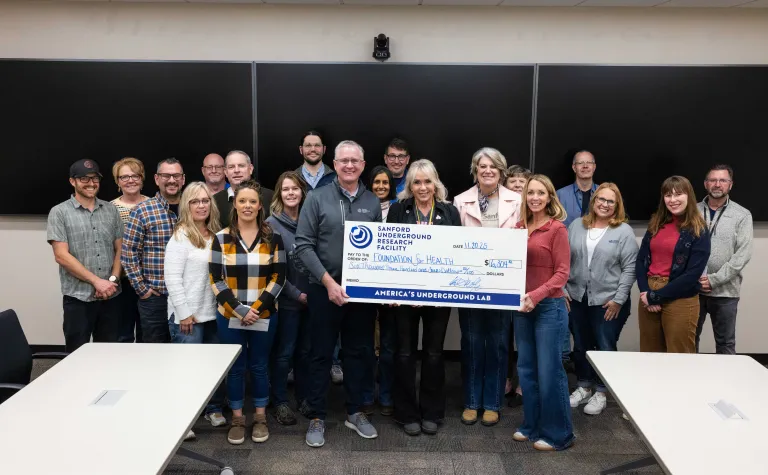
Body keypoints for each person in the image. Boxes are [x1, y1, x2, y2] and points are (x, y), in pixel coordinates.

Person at [296, 140, 382, 448]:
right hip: (324, 291)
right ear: (335, 163)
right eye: (343, 160)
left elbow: (378, 248)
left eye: (354, 161)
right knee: (320, 354)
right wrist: (329, 283)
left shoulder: (372, 202)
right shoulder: (317, 198)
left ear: (362, 165)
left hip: (360, 294)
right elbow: (303, 245)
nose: (348, 165)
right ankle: (317, 415)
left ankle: (356, 411)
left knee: (359, 354)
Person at [209, 180, 286, 445]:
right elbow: (216, 280)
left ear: (260, 205)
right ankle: (239, 419)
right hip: (230, 315)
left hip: (264, 315)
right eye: (242, 201)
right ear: (235, 204)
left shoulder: (273, 238)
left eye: (253, 201)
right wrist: (240, 310)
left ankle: (261, 417)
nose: (248, 206)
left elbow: (278, 277)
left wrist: (257, 308)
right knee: (236, 369)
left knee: (260, 366)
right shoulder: (220, 238)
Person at [387, 159, 460, 436]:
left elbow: (457, 255)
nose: (422, 187)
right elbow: (389, 254)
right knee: (404, 353)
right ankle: (406, 413)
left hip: (438, 296)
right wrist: (395, 289)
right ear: (410, 186)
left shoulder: (449, 211)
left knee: (433, 353)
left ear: (435, 183)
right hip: (404, 297)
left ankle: (432, 411)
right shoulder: (398, 210)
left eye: (427, 181)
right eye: (416, 182)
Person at [453, 147, 521, 427]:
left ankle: (492, 403)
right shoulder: (460, 201)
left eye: (493, 166)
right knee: (470, 342)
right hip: (469, 283)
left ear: (502, 171)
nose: (488, 170)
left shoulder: (517, 200)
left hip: (502, 286)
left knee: (497, 343)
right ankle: (471, 402)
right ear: (475, 170)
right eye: (482, 166)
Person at [512, 174, 574, 451]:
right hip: (522, 308)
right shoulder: (518, 227)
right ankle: (532, 425)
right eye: (530, 193)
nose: (535, 197)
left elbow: (562, 274)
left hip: (549, 307)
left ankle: (559, 434)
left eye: (540, 193)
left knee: (550, 372)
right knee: (526, 371)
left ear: (550, 197)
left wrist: (535, 296)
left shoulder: (557, 229)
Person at [566, 183, 638, 416]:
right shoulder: (577, 225)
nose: (605, 204)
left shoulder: (623, 231)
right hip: (577, 298)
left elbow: (630, 269)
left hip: (608, 302)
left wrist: (618, 299)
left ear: (617, 206)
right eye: (601, 199)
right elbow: (565, 260)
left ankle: (601, 391)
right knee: (580, 346)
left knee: (604, 347)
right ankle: (583, 386)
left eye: (611, 201)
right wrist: (565, 290)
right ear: (593, 200)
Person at [164, 182, 226, 435]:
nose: (201, 205)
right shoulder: (180, 237)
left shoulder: (218, 235)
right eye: (195, 201)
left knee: (212, 367)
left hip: (213, 314)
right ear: (186, 206)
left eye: (205, 201)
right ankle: (183, 419)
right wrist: (183, 313)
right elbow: (172, 278)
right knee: (187, 370)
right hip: (188, 316)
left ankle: (212, 409)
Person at [47, 159, 123, 353]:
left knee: (108, 355)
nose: (91, 183)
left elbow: (121, 251)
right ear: (72, 181)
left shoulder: (111, 210)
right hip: (78, 299)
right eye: (84, 178)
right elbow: (61, 256)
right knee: (76, 356)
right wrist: (97, 282)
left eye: (95, 178)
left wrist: (111, 280)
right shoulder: (59, 212)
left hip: (110, 296)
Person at [636, 176, 710, 354]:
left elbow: (692, 275)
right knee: (649, 353)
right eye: (668, 195)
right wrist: (647, 293)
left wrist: (656, 297)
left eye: (678, 194)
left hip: (680, 297)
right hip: (649, 292)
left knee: (679, 356)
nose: (673, 200)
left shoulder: (698, 229)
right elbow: (641, 261)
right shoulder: (656, 223)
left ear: (688, 196)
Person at [121, 158, 185, 343]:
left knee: (185, 351)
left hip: (185, 296)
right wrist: (143, 289)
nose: (171, 180)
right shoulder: (142, 211)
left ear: (183, 179)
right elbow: (129, 253)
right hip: (155, 297)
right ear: (157, 179)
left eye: (176, 175)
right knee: (154, 352)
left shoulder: (193, 209)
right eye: (166, 175)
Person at [266, 172, 311, 425]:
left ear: (302, 192)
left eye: (295, 188)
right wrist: (297, 294)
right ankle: (280, 401)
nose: (291, 193)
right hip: (287, 302)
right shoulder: (272, 225)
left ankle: (304, 398)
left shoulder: (310, 221)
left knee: (305, 352)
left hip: (312, 301)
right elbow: (274, 270)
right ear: (279, 194)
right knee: (284, 353)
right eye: (286, 189)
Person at [695, 165, 753, 355]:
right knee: (688, 339)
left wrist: (714, 279)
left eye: (723, 180)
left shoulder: (742, 215)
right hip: (692, 289)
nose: (717, 184)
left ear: (730, 185)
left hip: (726, 292)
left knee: (726, 344)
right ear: (706, 184)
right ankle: (686, 382)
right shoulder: (692, 211)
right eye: (713, 180)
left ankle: (728, 384)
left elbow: (742, 255)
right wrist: (693, 278)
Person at [364, 164, 398, 416]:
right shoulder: (362, 206)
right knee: (364, 344)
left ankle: (386, 396)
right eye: (377, 182)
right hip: (364, 284)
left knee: (388, 345)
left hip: (391, 287)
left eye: (385, 183)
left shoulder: (399, 209)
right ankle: (366, 395)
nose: (381, 187)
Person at [110, 157, 149, 343]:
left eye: (135, 175)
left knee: (147, 333)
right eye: (124, 177)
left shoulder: (153, 205)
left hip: (149, 280)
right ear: (117, 181)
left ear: (142, 178)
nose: (130, 180)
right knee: (122, 334)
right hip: (122, 281)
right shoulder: (109, 209)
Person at [502, 164, 530, 406]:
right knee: (504, 336)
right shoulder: (501, 210)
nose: (519, 185)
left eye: (523, 181)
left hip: (529, 283)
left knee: (523, 337)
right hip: (504, 280)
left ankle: (522, 382)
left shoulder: (535, 209)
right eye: (514, 181)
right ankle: (505, 380)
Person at [213, 150, 274, 227]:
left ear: (250, 169)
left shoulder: (270, 197)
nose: (236, 170)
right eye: (231, 167)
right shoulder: (215, 201)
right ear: (225, 172)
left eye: (241, 166)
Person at [556, 150, 598, 228]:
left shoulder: (603, 194)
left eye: (589, 162)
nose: (585, 166)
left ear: (594, 167)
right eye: (580, 163)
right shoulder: (560, 195)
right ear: (574, 167)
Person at [383, 138, 411, 203]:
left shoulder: (414, 183)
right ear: (385, 159)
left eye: (401, 156)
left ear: (407, 159)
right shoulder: (375, 183)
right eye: (392, 156)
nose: (396, 162)